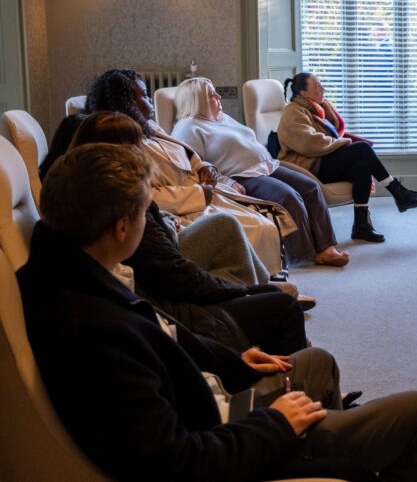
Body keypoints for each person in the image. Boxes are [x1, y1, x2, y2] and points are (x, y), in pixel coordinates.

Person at [20, 142, 417, 481]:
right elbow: (179, 463)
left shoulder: (75, 270)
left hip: (211, 402)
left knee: (318, 361)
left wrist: (233, 360)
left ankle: (331, 446)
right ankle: (319, 455)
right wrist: (279, 425)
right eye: (146, 213)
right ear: (121, 227)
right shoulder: (93, 331)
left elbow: (165, 333)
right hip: (227, 441)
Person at [69, 110, 309, 354]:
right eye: (137, 146)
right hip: (185, 308)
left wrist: (165, 215)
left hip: (174, 282)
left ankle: (263, 286)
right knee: (283, 307)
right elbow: (174, 276)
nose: (143, 150)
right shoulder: (124, 207)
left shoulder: (103, 208)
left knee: (231, 234)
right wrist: (235, 291)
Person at [88, 68, 285, 274]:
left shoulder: (150, 127)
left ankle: (267, 280)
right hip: (182, 207)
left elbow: (185, 152)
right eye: (144, 96)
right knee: (257, 228)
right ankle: (251, 283)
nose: (149, 101)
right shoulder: (123, 140)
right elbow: (144, 197)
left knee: (265, 222)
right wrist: (198, 193)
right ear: (127, 102)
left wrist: (203, 166)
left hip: (199, 191)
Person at [172, 77, 350, 268]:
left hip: (266, 166)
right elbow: (197, 167)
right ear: (196, 100)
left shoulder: (221, 118)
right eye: (211, 94)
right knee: (287, 197)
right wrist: (228, 183)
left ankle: (326, 248)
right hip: (241, 176)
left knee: (311, 187)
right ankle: (304, 253)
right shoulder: (188, 127)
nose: (218, 96)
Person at [277, 72, 417, 243]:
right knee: (361, 149)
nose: (323, 89)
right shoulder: (293, 112)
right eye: (317, 86)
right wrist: (344, 143)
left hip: (321, 161)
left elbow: (335, 128)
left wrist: (326, 108)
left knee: (362, 166)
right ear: (304, 94)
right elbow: (308, 142)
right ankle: (398, 193)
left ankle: (361, 226)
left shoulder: (315, 109)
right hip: (308, 168)